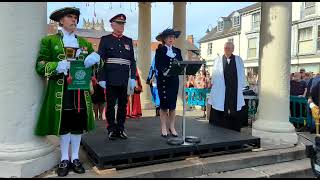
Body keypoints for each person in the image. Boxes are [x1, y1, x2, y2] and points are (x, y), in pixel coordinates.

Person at [34, 7, 102, 177]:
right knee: (64, 124)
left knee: (77, 123)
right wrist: (56, 66)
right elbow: (40, 66)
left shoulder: (85, 44)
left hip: (79, 90)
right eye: (70, 17)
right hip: (60, 90)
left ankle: (75, 158)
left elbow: (99, 65)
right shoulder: (49, 42)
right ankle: (65, 158)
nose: (74, 20)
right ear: (61, 21)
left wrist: (96, 60)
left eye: (75, 17)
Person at [97, 14, 136, 140]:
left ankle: (120, 128)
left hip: (124, 78)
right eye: (119, 23)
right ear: (112, 25)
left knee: (123, 105)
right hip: (110, 78)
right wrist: (101, 78)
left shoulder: (128, 40)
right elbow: (101, 60)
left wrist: (133, 77)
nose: (121, 25)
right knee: (110, 105)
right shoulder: (105, 39)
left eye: (123, 23)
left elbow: (132, 61)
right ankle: (111, 129)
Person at [208, 42, 246, 132]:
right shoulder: (218, 60)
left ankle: (233, 131)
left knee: (234, 108)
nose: (227, 49)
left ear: (233, 49)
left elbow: (241, 74)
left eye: (229, 48)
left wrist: (241, 87)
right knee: (219, 107)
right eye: (225, 48)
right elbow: (214, 74)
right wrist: (213, 85)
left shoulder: (238, 60)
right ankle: (217, 132)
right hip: (221, 90)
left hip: (234, 89)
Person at [155, 28, 183, 137]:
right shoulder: (160, 51)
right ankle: (163, 127)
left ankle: (172, 127)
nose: (171, 39)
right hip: (163, 81)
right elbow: (158, 65)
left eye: (172, 37)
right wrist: (165, 71)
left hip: (174, 81)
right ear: (164, 39)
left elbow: (181, 63)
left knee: (172, 105)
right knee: (164, 105)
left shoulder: (177, 51)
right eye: (168, 37)